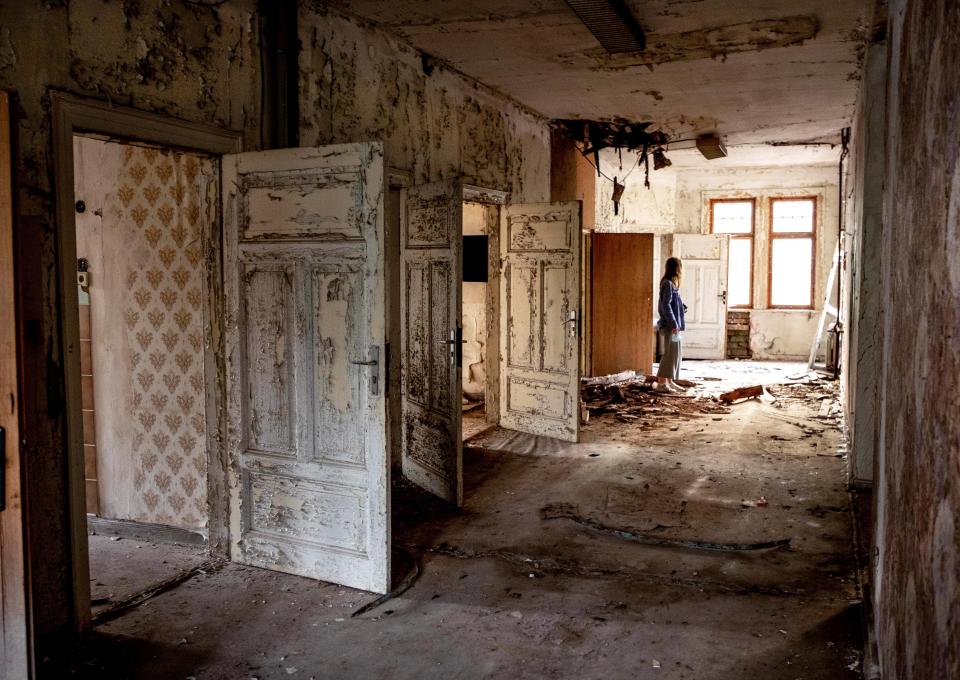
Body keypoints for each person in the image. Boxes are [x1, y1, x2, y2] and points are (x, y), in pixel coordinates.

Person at [656, 257, 686, 393]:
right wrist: (674, 323)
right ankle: (662, 384)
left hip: (675, 325)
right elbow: (665, 305)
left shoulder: (671, 284)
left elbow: (671, 303)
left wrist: (681, 306)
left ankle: (670, 381)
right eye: (680, 267)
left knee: (675, 353)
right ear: (676, 268)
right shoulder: (667, 283)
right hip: (671, 326)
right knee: (669, 353)